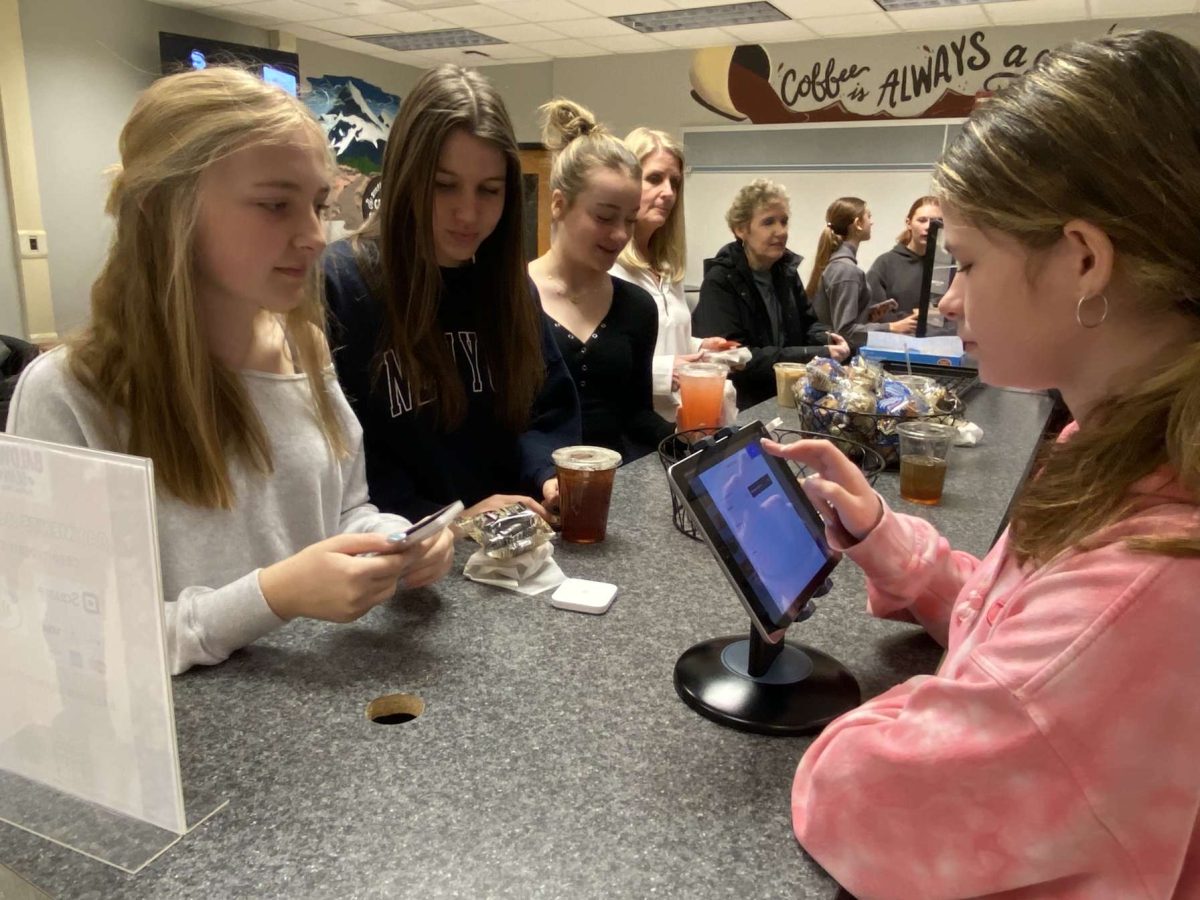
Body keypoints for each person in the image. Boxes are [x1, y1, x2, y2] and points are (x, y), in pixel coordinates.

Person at [766, 29, 1200, 898]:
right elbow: (1027, 632)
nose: (951, 300)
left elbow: (863, 793)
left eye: (966, 262)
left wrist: (933, 706)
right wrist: (891, 543)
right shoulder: (1117, 450)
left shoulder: (1154, 583)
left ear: (1083, 258)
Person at [7, 68, 453, 675]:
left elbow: (344, 509)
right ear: (163, 209)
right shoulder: (71, 394)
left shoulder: (308, 350)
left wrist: (397, 540)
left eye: (317, 205)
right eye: (275, 205)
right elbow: (69, 634)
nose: (316, 236)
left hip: (313, 706)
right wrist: (271, 597)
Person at [324, 66, 581, 522]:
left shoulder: (510, 287)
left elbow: (546, 408)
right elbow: (346, 467)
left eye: (490, 190)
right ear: (406, 175)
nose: (468, 213)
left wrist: (548, 473)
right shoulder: (341, 283)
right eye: (444, 186)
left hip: (515, 544)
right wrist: (452, 519)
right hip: (407, 563)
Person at [529, 100, 673, 462]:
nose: (620, 235)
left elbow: (635, 415)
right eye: (605, 217)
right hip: (528, 498)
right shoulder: (510, 300)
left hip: (611, 493)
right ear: (559, 204)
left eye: (629, 219)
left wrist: (689, 440)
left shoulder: (637, 307)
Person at [610, 128, 738, 423]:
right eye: (654, 178)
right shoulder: (610, 268)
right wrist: (668, 371)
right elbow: (604, 363)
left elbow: (663, 338)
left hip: (682, 427)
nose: (668, 192)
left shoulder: (667, 269)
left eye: (675, 182)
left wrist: (698, 347)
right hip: (636, 433)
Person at [694, 179, 849, 409]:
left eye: (784, 221)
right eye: (768, 222)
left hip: (782, 398)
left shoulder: (785, 272)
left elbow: (808, 324)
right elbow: (740, 359)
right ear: (740, 229)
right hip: (740, 404)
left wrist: (827, 339)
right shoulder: (720, 281)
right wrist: (815, 353)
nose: (781, 231)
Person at [808, 197, 917, 349]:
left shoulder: (842, 266)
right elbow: (845, 332)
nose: (872, 222)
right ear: (858, 224)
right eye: (869, 216)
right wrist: (892, 327)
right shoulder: (846, 270)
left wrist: (868, 313)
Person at [866, 195, 941, 322]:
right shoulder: (886, 264)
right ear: (909, 223)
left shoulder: (948, 265)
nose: (929, 227)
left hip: (941, 339)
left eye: (936, 222)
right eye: (922, 220)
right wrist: (909, 321)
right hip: (896, 339)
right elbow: (872, 313)